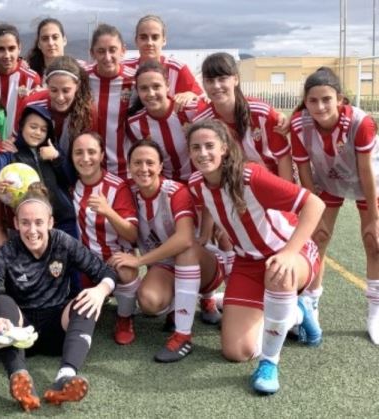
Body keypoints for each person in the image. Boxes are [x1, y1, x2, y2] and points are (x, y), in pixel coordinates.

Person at [186, 119, 325, 394]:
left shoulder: (250, 176)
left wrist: (288, 253)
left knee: (278, 273)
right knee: (237, 351)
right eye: (196, 147)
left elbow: (314, 204)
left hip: (288, 252)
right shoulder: (196, 183)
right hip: (247, 262)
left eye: (210, 146)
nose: (203, 153)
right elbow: (210, 206)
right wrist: (204, 235)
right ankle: (296, 313)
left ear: (225, 148)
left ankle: (270, 363)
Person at [0, 183, 116, 411]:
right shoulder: (9, 250)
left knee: (86, 300)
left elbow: (106, 271)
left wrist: (101, 290)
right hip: (21, 333)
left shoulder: (63, 242)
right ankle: (19, 376)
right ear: (16, 224)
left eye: (38, 222)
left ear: (50, 222)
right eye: (25, 223)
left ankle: (65, 377)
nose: (32, 230)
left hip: (59, 329)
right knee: (1, 301)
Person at [109, 140, 225, 362]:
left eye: (150, 163)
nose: (144, 169)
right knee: (149, 302)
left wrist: (139, 261)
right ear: (129, 167)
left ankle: (205, 303)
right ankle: (177, 306)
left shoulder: (174, 191)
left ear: (161, 166)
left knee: (185, 250)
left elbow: (184, 239)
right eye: (137, 163)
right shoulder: (128, 192)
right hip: (165, 265)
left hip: (201, 262)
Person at [290, 67, 379, 344]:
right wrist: (310, 211)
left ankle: (375, 309)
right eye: (313, 100)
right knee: (318, 238)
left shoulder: (359, 123)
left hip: (368, 182)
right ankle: (311, 302)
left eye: (327, 99)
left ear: (340, 99)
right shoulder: (297, 124)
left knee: (373, 242)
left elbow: (365, 172)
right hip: (328, 181)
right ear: (305, 101)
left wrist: (374, 219)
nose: (320, 106)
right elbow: (304, 173)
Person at [69, 132, 139, 344]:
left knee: (126, 269)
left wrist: (108, 211)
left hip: (113, 259)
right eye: (78, 153)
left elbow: (133, 234)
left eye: (91, 152)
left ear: (101, 156)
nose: (85, 158)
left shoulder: (117, 186)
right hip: (83, 261)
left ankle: (124, 318)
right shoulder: (70, 186)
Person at [192, 52, 293, 181]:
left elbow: (283, 157)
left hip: (272, 181)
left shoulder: (261, 113)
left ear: (235, 79)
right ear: (204, 84)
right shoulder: (202, 122)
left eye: (222, 79)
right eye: (210, 81)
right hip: (233, 188)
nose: (216, 86)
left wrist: (286, 195)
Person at [0, 105, 77, 241]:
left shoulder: (52, 150)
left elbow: (71, 178)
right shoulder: (10, 153)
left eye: (43, 130)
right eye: (33, 127)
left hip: (63, 220)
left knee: (70, 258)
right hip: (32, 224)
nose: (38, 132)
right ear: (22, 127)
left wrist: (56, 157)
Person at [127, 59, 193, 183]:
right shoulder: (135, 124)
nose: (151, 93)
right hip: (168, 189)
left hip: (201, 184)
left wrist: (194, 95)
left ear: (167, 85)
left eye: (156, 86)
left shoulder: (190, 110)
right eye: (144, 88)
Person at [16, 56, 96, 157]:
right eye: (54, 90)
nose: (60, 98)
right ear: (47, 85)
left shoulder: (88, 112)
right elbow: (16, 141)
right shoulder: (31, 105)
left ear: (78, 86)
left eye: (66, 90)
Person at [86, 23, 135, 179]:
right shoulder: (82, 79)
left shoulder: (135, 81)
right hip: (89, 168)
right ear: (92, 53)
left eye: (112, 50)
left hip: (126, 170)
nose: (107, 57)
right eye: (101, 51)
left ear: (123, 51)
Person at [124, 15, 202, 108]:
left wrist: (191, 95)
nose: (149, 43)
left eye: (155, 37)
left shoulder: (177, 69)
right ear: (136, 40)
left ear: (164, 40)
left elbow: (201, 98)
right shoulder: (124, 67)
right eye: (143, 37)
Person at [0, 23, 41, 138]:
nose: (7, 55)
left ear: (19, 48)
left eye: (11, 48)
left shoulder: (31, 78)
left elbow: (35, 118)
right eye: (1, 49)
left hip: (18, 145)